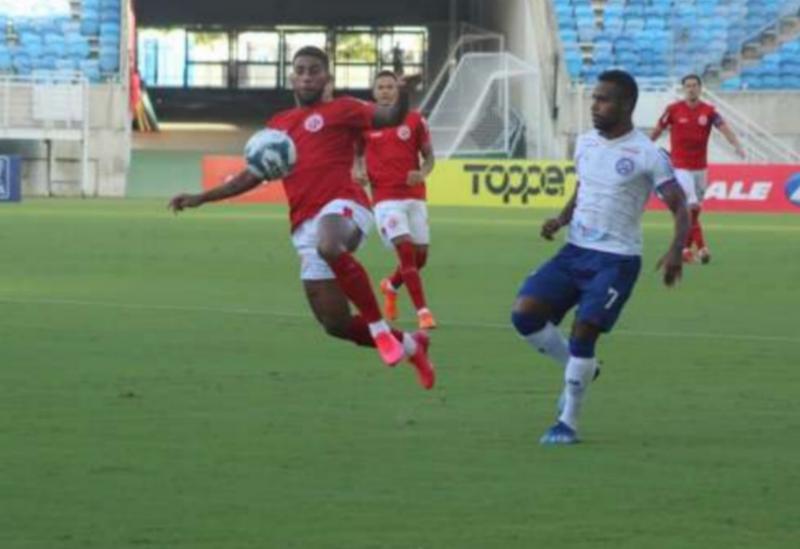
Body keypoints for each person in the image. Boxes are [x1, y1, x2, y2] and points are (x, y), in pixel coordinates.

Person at [168, 46, 434, 390]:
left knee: (330, 243)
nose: (307, 76)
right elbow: (252, 175)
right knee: (334, 324)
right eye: (300, 70)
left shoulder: (344, 109)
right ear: (292, 77)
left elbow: (390, 117)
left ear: (327, 78)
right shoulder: (277, 126)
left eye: (314, 70)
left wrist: (403, 94)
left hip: (345, 206)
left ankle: (381, 330)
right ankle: (413, 346)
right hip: (304, 223)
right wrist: (201, 198)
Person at [511, 70, 690, 444]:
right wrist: (561, 219)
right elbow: (585, 186)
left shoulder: (648, 154)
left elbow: (679, 205)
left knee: (583, 332)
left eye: (603, 99)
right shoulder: (585, 143)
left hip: (617, 260)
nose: (595, 106)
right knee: (524, 313)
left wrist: (676, 249)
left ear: (626, 105)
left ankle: (567, 422)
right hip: (575, 250)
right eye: (594, 98)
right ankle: (582, 369)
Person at [353, 70, 437, 330]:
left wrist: (420, 173)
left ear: (397, 91)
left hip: (414, 196)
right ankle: (423, 311)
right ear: (373, 92)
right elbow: (356, 155)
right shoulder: (365, 122)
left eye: (390, 86)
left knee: (420, 258)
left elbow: (430, 158)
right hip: (385, 199)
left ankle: (390, 285)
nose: (386, 91)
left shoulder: (414, 120)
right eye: (381, 87)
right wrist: (358, 171)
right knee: (406, 251)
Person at [650, 74, 745, 264]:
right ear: (684, 89)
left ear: (700, 88)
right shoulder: (673, 110)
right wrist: (644, 148)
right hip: (680, 167)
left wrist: (736, 144)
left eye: (694, 85)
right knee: (691, 205)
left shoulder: (708, 111)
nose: (691, 89)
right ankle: (701, 248)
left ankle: (685, 248)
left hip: (700, 168)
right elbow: (658, 129)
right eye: (688, 86)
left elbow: (724, 127)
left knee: (694, 211)